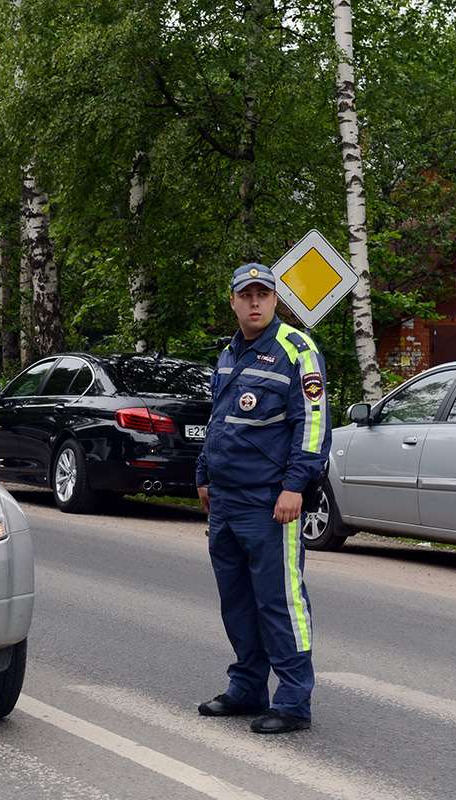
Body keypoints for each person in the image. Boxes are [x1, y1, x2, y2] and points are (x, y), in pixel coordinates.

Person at [194, 262, 333, 734]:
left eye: (264, 294)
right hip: (227, 501)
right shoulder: (229, 354)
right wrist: (203, 474)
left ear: (275, 300)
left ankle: (293, 701)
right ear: (232, 301)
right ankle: (248, 687)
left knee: (280, 601)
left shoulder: (297, 348)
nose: (255, 303)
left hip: (270, 502)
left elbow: (311, 424)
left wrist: (296, 485)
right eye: (246, 295)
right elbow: (219, 419)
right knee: (237, 601)